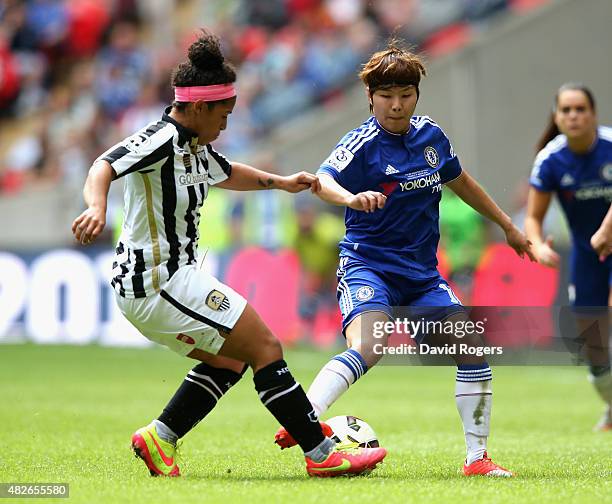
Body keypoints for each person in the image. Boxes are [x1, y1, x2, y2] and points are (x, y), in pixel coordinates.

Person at [71, 30, 386, 478]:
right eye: (225, 113)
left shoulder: (196, 146)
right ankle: (321, 454)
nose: (227, 123)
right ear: (199, 106)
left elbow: (227, 172)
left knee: (231, 358)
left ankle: (159, 438)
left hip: (170, 278)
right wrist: (96, 206)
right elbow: (104, 164)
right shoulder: (161, 139)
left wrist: (280, 182)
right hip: (157, 281)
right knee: (266, 346)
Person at [274, 39, 536, 477]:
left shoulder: (431, 136)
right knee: (371, 345)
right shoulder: (360, 144)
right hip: (367, 265)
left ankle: (477, 460)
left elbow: (461, 180)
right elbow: (322, 181)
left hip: (420, 275)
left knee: (472, 347)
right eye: (387, 96)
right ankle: (305, 418)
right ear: (370, 98)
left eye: (406, 95)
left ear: (416, 95)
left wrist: (507, 225)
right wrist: (353, 199)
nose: (397, 105)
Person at [525, 83, 612, 431]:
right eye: (566, 110)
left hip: (605, 240)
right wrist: (537, 245)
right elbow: (532, 218)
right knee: (592, 339)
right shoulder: (550, 159)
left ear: (593, 114)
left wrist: (607, 229)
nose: (574, 116)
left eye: (580, 109)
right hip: (585, 253)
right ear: (557, 117)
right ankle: (609, 404)